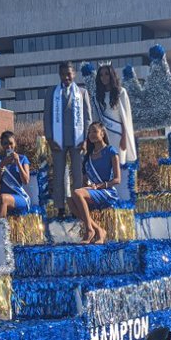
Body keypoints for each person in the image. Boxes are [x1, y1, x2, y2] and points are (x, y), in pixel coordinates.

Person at [43, 62, 93, 217]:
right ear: (59, 74)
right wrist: (50, 138)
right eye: (63, 74)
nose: (66, 77)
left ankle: (78, 206)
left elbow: (88, 119)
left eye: (69, 74)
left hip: (77, 140)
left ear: (74, 74)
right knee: (58, 175)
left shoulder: (82, 92)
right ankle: (60, 208)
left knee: (78, 175)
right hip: (58, 141)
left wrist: (86, 139)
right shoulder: (52, 92)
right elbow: (47, 117)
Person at [69, 122, 122, 244]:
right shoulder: (88, 157)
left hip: (108, 192)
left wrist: (99, 186)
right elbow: (84, 182)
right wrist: (89, 187)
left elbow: (117, 180)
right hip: (95, 191)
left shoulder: (110, 151)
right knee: (70, 200)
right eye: (89, 132)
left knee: (77, 193)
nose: (91, 134)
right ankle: (99, 230)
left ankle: (89, 230)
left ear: (102, 134)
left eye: (94, 131)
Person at [93, 63, 136, 199]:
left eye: (106, 74)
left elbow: (125, 117)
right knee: (107, 168)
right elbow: (96, 120)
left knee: (120, 168)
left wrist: (124, 138)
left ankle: (123, 198)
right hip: (104, 138)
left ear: (111, 75)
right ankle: (109, 198)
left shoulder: (121, 92)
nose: (103, 77)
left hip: (118, 136)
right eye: (101, 75)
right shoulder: (97, 96)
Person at [0, 131, 31, 219]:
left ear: (15, 143)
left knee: (3, 198)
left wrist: (18, 162)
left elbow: (26, 181)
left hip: (20, 197)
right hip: (3, 195)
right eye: (5, 143)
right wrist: (2, 165)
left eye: (11, 143)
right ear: (1, 145)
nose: (8, 146)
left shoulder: (22, 159)